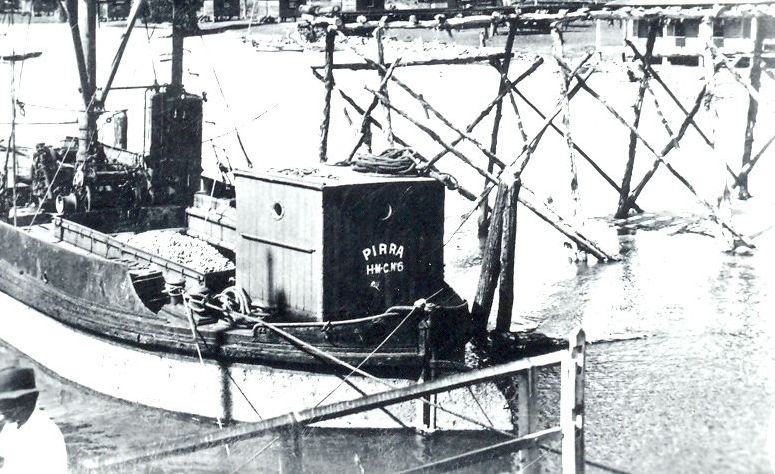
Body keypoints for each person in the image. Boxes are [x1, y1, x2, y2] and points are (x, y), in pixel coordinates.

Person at [0, 367, 67, 473]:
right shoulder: (10, 426)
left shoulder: (47, 434)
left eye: (7, 403)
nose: (2, 410)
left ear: (29, 398)